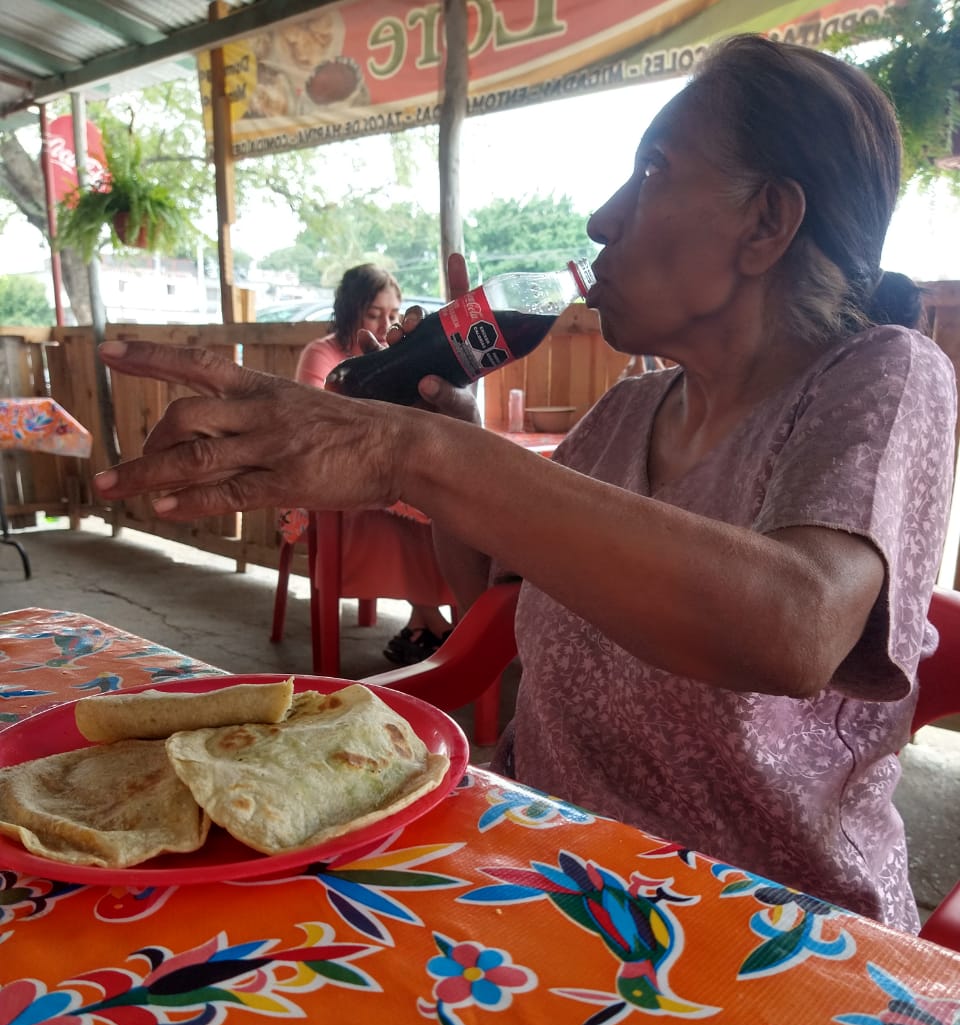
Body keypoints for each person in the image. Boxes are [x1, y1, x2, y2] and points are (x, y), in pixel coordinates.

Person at [94, 35, 958, 932]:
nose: (601, 218)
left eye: (653, 170)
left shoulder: (884, 376)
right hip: (544, 875)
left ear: (767, 221)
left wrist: (418, 457)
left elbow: (795, 625)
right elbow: (490, 600)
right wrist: (441, 444)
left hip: (769, 932)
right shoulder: (631, 411)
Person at [294, 264, 453, 664]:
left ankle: (422, 625)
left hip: (389, 477)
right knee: (395, 509)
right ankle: (437, 626)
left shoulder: (398, 357)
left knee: (444, 508)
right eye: (374, 314)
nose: (386, 324)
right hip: (327, 484)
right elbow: (316, 428)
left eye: (394, 314)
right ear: (351, 311)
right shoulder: (322, 353)